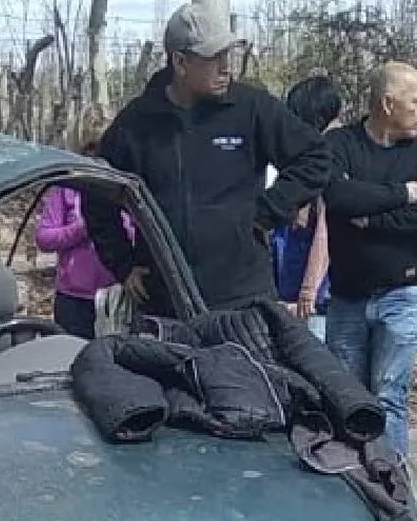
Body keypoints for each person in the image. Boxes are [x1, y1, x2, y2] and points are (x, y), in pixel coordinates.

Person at [82, 1, 333, 315]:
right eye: (215, 58)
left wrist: (265, 212)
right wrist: (122, 263)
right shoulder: (137, 123)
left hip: (243, 297)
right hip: (165, 300)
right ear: (180, 62)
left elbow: (316, 157)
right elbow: (97, 194)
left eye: (228, 55)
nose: (226, 66)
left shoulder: (252, 108)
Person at [320, 61, 417, 461]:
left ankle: (392, 483)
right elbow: (338, 199)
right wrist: (403, 192)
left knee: (390, 394)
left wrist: (370, 218)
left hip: (401, 293)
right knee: (346, 398)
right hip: (347, 298)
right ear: (388, 104)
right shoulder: (340, 145)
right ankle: (350, 482)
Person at [35, 119, 134, 339]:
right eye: (90, 150)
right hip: (74, 299)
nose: (96, 158)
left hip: (117, 297)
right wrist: (81, 229)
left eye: (102, 150)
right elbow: (44, 238)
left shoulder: (126, 189)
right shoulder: (66, 188)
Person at [268, 75, 342, 342]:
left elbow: (325, 230)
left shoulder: (328, 162)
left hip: (313, 303)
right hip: (290, 295)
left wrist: (308, 291)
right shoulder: (299, 160)